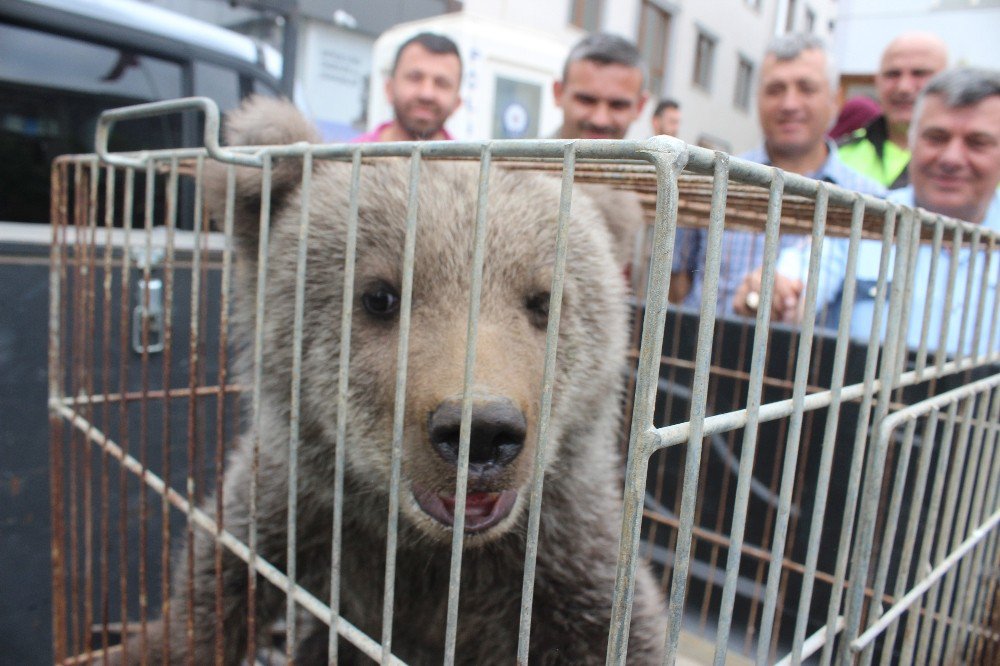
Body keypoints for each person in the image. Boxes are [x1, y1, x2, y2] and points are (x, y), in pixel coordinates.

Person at [735, 67, 1000, 356]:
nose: (951, 158)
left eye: (977, 143)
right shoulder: (864, 218)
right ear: (911, 140)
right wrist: (773, 292)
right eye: (936, 137)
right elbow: (800, 276)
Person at [670, 33, 884, 313]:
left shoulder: (871, 201)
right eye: (775, 89)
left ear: (835, 99)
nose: (789, 104)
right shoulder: (711, 183)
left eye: (806, 88)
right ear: (757, 98)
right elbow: (676, 283)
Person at [837, 32, 948, 188]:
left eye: (919, 74)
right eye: (892, 74)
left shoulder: (976, 166)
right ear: (877, 81)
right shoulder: (839, 156)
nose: (904, 87)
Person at [354, 32, 462, 142]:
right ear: (389, 89)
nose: (426, 94)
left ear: (457, 103)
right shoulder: (346, 158)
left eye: (441, 83)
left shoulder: (471, 159)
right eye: (415, 78)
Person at [552, 32, 648, 140]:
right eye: (586, 100)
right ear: (558, 93)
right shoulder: (529, 155)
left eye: (618, 105)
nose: (600, 120)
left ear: (640, 106)